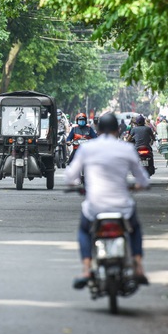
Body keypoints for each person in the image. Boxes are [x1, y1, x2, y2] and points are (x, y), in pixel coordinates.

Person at [64, 113, 150, 289]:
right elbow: (143, 179)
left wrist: (74, 184)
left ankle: (87, 269)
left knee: (83, 230)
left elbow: (69, 176)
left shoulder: (88, 149)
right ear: (118, 130)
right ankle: (138, 266)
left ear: (97, 129)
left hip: (95, 207)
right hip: (122, 207)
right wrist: (138, 186)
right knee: (135, 230)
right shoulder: (126, 149)